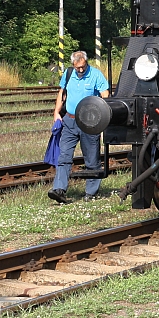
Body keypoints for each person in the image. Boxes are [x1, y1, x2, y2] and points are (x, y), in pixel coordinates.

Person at [49, 51, 111, 204]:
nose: (81, 70)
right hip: (69, 121)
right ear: (73, 65)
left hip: (89, 122)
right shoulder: (69, 74)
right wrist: (57, 112)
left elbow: (106, 95)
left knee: (91, 159)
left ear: (86, 62)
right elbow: (62, 93)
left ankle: (91, 192)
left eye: (83, 67)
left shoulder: (96, 75)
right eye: (78, 68)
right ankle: (59, 190)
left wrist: (103, 117)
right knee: (63, 156)